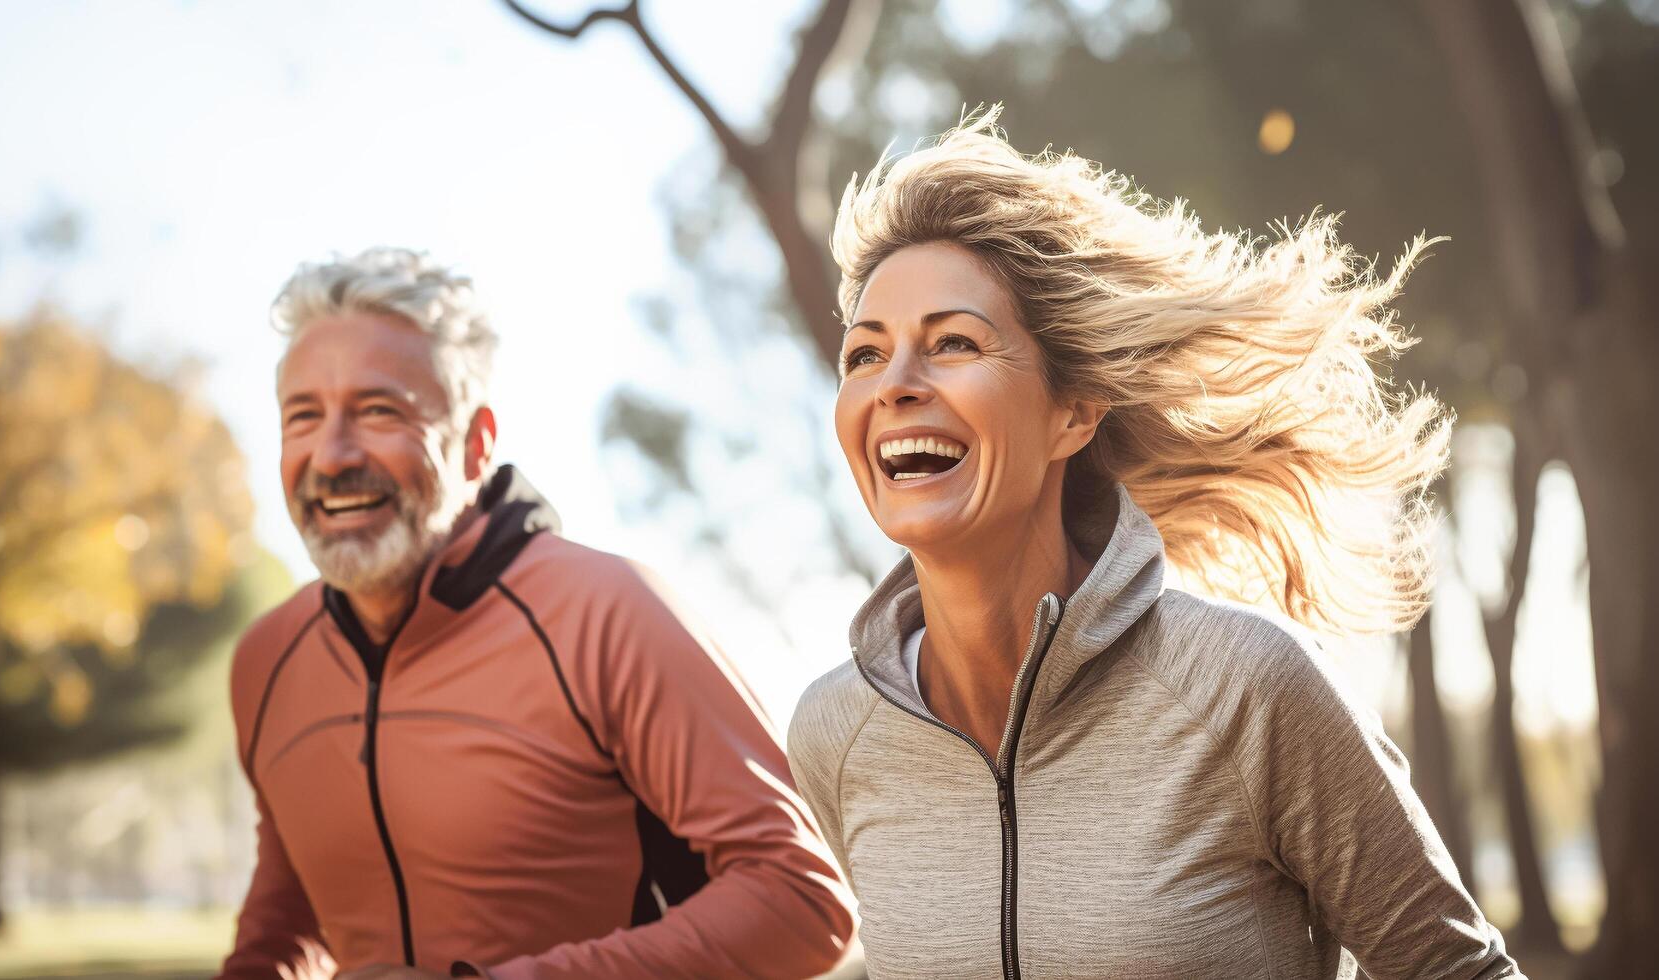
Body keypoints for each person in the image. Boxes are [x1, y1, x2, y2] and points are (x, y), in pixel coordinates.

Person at [786, 108, 1522, 979]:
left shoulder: (1242, 686)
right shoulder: (836, 734)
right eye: (863, 356)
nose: (896, 385)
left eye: (953, 343)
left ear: (1074, 412)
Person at [218, 248, 854, 979]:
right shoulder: (267, 660)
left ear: (475, 444)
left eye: (378, 411)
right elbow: (288, 927)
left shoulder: (608, 614)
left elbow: (802, 901)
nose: (330, 456)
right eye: (302, 416)